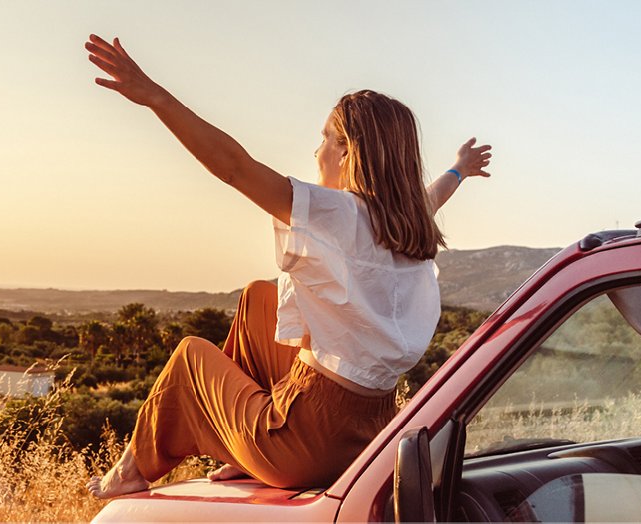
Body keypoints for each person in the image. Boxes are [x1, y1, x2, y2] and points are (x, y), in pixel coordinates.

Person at [82, 35, 493, 499]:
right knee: (260, 298)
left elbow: (234, 168)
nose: (317, 151)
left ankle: (130, 471)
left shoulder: (339, 212)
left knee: (189, 358)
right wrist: (459, 169)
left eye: (325, 139)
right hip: (369, 431)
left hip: (301, 440)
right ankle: (238, 450)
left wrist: (155, 97)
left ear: (348, 153)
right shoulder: (405, 220)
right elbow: (433, 196)